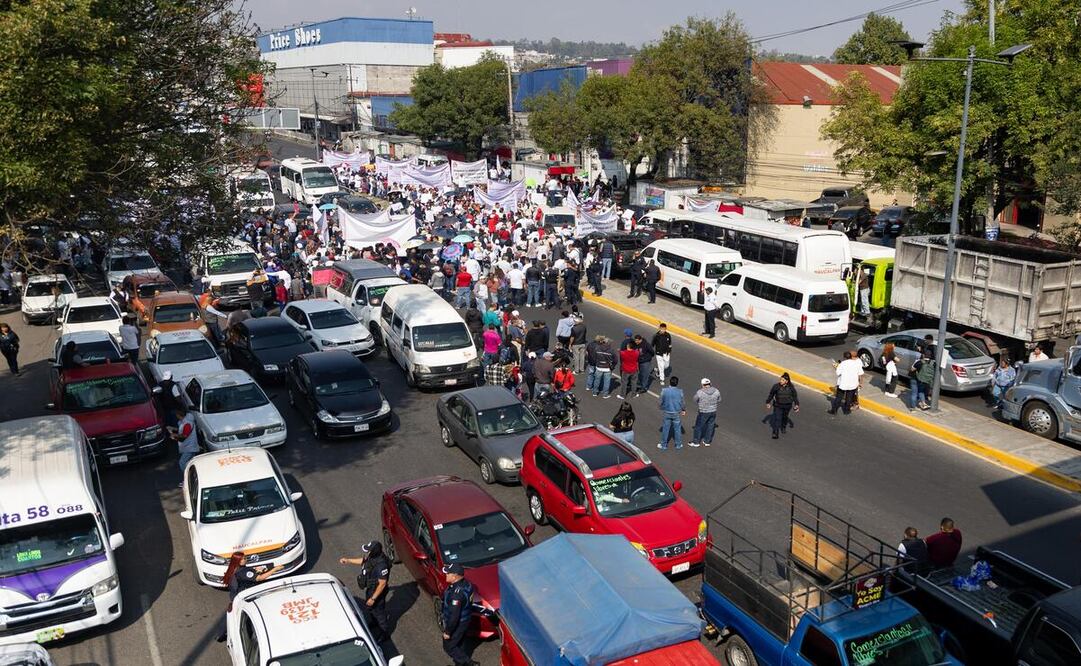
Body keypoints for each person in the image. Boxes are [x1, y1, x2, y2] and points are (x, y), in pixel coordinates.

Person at [214, 553, 284, 642]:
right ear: (238, 561)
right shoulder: (244, 572)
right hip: (244, 597)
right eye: (243, 559)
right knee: (251, 615)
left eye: (245, 558)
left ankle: (220, 634)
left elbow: (247, 573)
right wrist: (275, 569)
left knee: (231, 615)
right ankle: (252, 638)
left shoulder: (233, 568)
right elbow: (260, 578)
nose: (245, 559)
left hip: (235, 595)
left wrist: (254, 570)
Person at [339, 540, 392, 643]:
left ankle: (384, 633)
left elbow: (382, 584)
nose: (367, 552)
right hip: (371, 589)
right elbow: (363, 561)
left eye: (369, 551)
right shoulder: (372, 557)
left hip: (377, 593)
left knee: (379, 612)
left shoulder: (381, 565)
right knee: (371, 609)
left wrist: (373, 598)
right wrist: (348, 560)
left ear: (374, 552)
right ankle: (374, 622)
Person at [440, 563, 476, 666]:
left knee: (449, 646)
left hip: (458, 623)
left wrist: (448, 631)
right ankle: (460, 663)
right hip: (465, 619)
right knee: (459, 644)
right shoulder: (466, 584)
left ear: (455, 576)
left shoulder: (457, 594)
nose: (446, 575)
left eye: (448, 573)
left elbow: (454, 616)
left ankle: (468, 663)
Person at [828, 351, 863, 415]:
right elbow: (860, 373)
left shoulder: (842, 364)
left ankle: (834, 410)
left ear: (844, 357)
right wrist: (860, 383)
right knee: (849, 398)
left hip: (843, 384)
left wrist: (836, 367)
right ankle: (846, 411)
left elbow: (838, 373)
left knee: (839, 397)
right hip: (853, 384)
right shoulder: (856, 364)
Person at [688, 378, 720, 447]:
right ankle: (707, 441)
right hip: (713, 411)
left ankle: (696, 442)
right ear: (710, 384)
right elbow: (719, 399)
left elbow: (694, 399)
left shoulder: (700, 392)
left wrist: (701, 402)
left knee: (698, 426)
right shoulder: (716, 391)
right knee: (710, 426)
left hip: (703, 411)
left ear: (702, 385)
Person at [766, 372, 799, 439]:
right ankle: (775, 432)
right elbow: (771, 394)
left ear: (786, 381)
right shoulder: (776, 386)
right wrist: (768, 402)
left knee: (784, 417)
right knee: (778, 418)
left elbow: (795, 396)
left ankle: (783, 427)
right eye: (780, 379)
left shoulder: (791, 388)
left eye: (783, 380)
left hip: (787, 406)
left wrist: (796, 405)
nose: (781, 381)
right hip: (778, 405)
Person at [658, 376, 685, 450]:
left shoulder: (664, 390)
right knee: (677, 429)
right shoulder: (680, 391)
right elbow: (682, 402)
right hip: (676, 412)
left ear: (670, 382)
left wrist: (661, 407)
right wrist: (683, 410)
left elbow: (660, 401)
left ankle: (663, 445)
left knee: (666, 428)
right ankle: (678, 444)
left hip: (667, 412)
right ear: (677, 383)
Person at [172, 405, 199, 478]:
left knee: (182, 463)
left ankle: (187, 479)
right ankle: (192, 477)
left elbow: (184, 435)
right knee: (190, 464)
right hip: (189, 446)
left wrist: (174, 435)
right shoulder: (186, 420)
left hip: (189, 447)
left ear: (178, 415)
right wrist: (173, 430)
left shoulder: (187, 423)